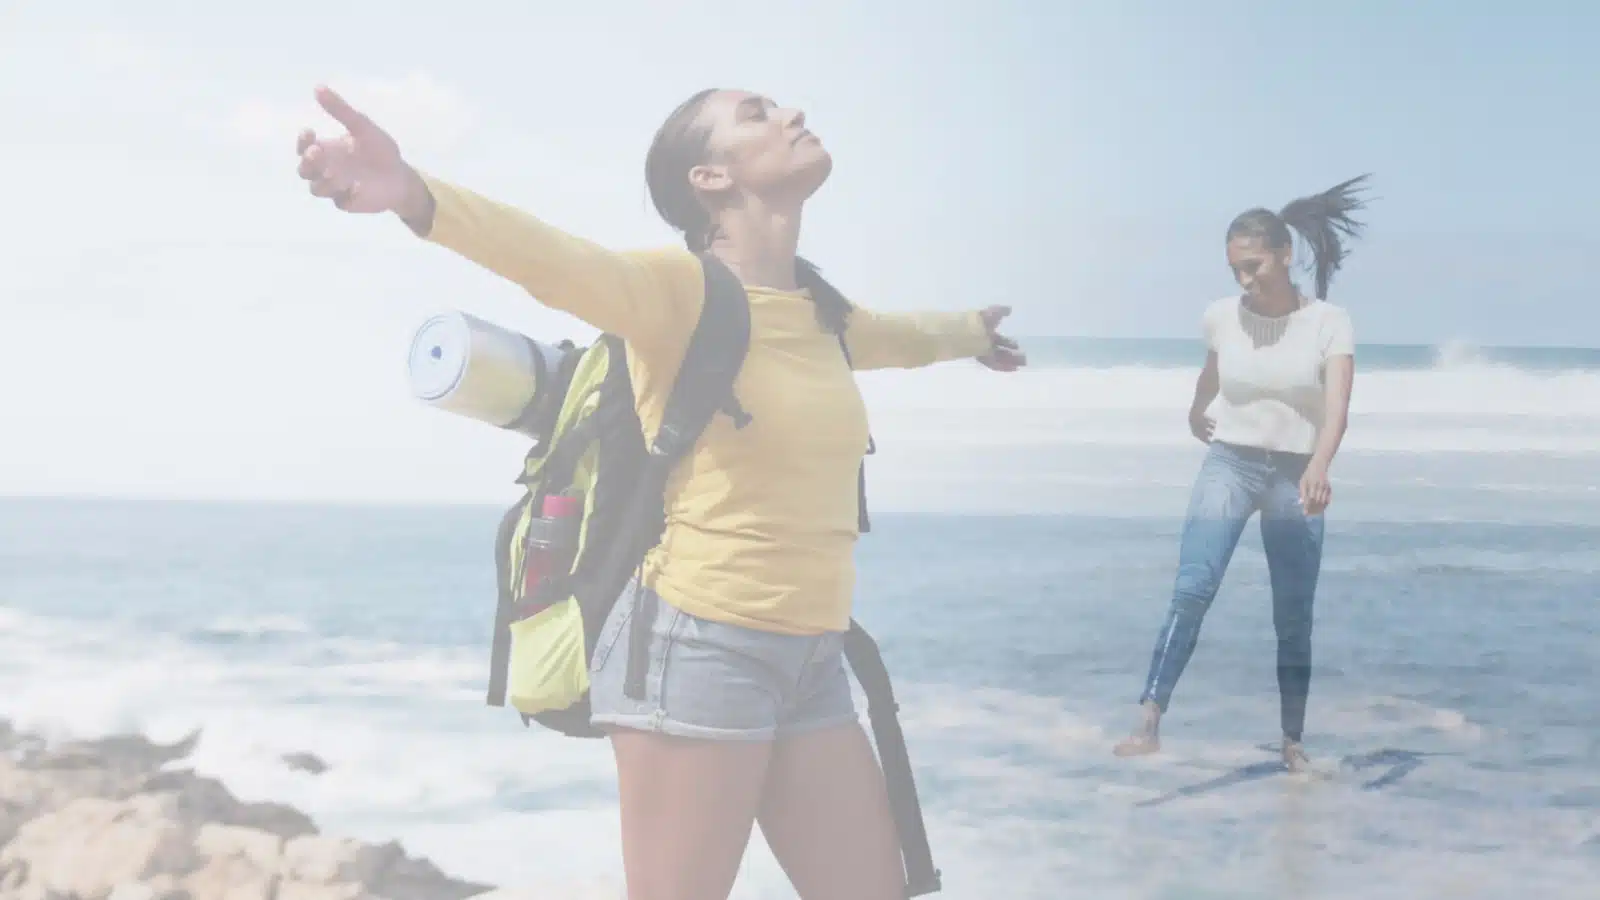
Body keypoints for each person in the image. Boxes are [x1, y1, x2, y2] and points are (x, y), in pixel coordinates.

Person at [293, 85, 1025, 900]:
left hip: (812, 655)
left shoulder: (820, 312)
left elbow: (895, 335)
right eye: (757, 113)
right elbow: (551, 259)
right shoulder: (675, 291)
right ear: (710, 178)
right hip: (700, 647)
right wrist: (413, 193)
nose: (788, 114)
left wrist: (972, 333)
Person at [1112, 176, 1369, 772]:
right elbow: (1213, 370)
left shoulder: (1330, 322)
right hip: (1230, 460)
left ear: (1285, 255)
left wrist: (1321, 468)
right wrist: (1195, 408)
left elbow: (1337, 410)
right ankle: (1149, 718)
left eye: (1254, 266)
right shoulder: (1222, 316)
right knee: (1193, 586)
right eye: (1235, 270)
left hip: (1295, 474)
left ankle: (1293, 743)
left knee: (1293, 613)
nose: (1245, 280)